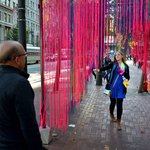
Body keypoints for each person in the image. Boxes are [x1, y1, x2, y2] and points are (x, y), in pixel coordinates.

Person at [0, 41, 47, 150]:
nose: (25, 58)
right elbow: (28, 125)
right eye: (24, 55)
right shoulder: (20, 84)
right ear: (17, 59)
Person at [99, 51, 130, 130]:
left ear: (122, 56)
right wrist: (99, 69)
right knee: (112, 102)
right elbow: (106, 67)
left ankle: (119, 122)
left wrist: (125, 79)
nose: (117, 56)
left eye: (118, 54)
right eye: (116, 55)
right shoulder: (113, 64)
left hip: (121, 87)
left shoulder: (125, 66)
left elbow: (128, 77)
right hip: (112, 87)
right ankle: (111, 114)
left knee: (120, 104)